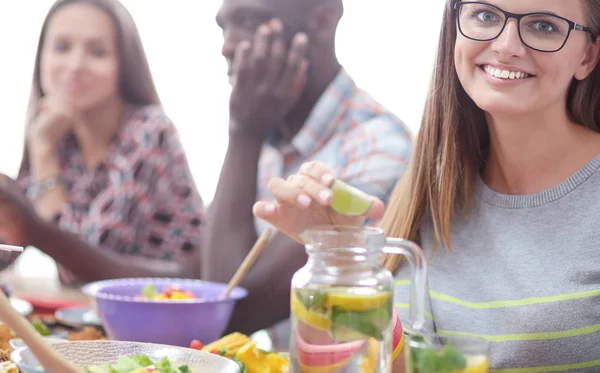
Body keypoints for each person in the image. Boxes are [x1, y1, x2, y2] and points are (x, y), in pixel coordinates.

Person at [254, 0, 600, 371]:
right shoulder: (430, 184)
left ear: (588, 56)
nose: (506, 45)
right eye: (485, 15)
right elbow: (398, 365)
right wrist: (345, 263)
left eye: (543, 26)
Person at [202, 0, 413, 341]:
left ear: (322, 19)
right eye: (224, 27)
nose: (227, 45)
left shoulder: (378, 145)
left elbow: (226, 312)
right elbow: (205, 275)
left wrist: (243, 131)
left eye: (249, 21)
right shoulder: (272, 144)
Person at [0, 0, 204, 284]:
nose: (75, 65)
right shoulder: (61, 136)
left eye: (97, 52)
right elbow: (10, 242)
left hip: (173, 314)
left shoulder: (149, 131)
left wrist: (43, 152)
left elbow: (79, 269)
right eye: (62, 48)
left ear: (124, 64)